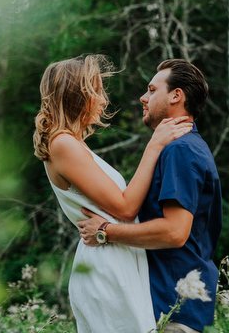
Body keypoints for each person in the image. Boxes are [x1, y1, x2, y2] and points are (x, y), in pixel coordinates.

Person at [33, 54, 193, 333]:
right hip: (105, 267)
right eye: (96, 91)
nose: (104, 100)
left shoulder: (73, 144)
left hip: (117, 259)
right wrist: (154, 145)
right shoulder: (63, 144)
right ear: (76, 94)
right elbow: (125, 207)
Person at [77, 59, 222, 333]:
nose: (143, 98)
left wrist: (106, 231)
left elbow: (175, 232)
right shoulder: (184, 147)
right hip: (172, 302)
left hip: (173, 305)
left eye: (152, 90)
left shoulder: (181, 150)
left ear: (176, 95)